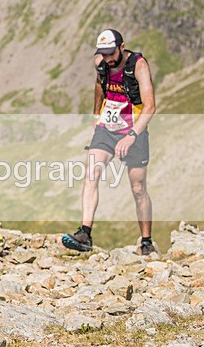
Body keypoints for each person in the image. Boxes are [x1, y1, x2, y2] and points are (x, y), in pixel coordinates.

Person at [62, 29, 156, 256]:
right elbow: (98, 85)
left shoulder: (138, 65)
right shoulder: (101, 63)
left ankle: (146, 241)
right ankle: (85, 234)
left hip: (134, 130)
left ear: (122, 47)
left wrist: (132, 135)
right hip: (107, 129)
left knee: (138, 188)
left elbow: (150, 106)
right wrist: (96, 114)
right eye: (103, 54)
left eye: (111, 53)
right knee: (91, 173)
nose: (107, 58)